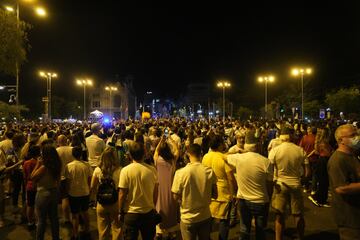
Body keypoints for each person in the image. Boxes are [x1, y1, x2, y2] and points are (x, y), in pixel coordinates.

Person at [226, 143, 273, 240]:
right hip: (261, 200)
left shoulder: (238, 158)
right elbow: (269, 185)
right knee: (260, 230)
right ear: (258, 147)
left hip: (243, 200)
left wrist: (238, 151)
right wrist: (268, 199)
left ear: (245, 147)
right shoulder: (266, 162)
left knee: (244, 229)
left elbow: (224, 156)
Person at [268, 130, 310, 240]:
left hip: (280, 184)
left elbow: (269, 169)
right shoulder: (300, 150)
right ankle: (301, 237)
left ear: (281, 138)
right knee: (298, 215)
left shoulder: (275, 151)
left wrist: (272, 181)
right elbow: (307, 170)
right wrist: (302, 180)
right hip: (296, 184)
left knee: (279, 215)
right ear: (291, 138)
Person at [171, 144, 217, 240]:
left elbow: (175, 197)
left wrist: (185, 202)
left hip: (188, 217)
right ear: (201, 153)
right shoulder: (209, 171)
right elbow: (215, 195)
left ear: (187, 154)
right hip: (205, 215)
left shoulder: (180, 173)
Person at [118, 141, 159, 240]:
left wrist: (120, 211)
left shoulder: (125, 171)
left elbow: (122, 194)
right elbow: (155, 192)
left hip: (131, 212)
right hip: (148, 211)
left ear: (130, 155)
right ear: (144, 155)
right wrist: (153, 206)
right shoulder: (152, 170)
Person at [327, 124, 360, 240]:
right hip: (350, 218)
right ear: (341, 140)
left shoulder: (353, 155)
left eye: (357, 134)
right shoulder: (337, 160)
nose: (357, 137)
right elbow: (341, 188)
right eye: (353, 135)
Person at [202, 134, 237, 240]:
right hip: (223, 193)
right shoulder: (223, 158)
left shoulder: (205, 157)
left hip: (209, 192)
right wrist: (234, 193)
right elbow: (230, 178)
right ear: (220, 145)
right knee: (223, 220)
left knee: (209, 219)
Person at [31, 142, 62, 240]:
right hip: (54, 191)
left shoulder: (44, 167)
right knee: (54, 218)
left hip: (43, 193)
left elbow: (32, 177)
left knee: (41, 220)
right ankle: (55, 237)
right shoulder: (58, 164)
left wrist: (38, 164)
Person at [91, 146, 122, 240]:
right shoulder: (119, 170)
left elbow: (92, 186)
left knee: (103, 230)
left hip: (101, 203)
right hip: (115, 202)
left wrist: (96, 197)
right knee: (117, 228)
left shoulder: (98, 170)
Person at [153, 135, 179, 239]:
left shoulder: (157, 160)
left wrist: (161, 141)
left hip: (159, 188)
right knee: (171, 207)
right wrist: (171, 140)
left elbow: (156, 151)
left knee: (159, 207)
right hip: (171, 188)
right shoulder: (172, 160)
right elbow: (177, 150)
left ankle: (159, 230)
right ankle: (171, 231)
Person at [65, 146, 93, 240]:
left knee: (74, 215)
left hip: (73, 193)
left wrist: (67, 191)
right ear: (81, 154)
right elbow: (90, 179)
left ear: (72, 154)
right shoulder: (87, 165)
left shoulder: (69, 166)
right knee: (85, 212)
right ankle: (87, 230)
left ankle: (76, 234)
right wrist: (89, 189)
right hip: (85, 192)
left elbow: (68, 181)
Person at [308, 127, 333, 207]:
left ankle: (318, 197)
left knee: (322, 181)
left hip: (321, 160)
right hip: (324, 161)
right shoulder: (325, 143)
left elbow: (317, 151)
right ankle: (321, 200)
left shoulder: (318, 142)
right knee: (324, 182)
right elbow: (328, 153)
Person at [23, 145, 41, 231]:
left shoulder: (26, 163)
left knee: (30, 205)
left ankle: (30, 222)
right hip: (37, 186)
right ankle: (38, 223)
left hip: (29, 185)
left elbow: (25, 176)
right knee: (37, 206)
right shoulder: (39, 163)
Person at [56, 134, 73, 224]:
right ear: (66, 140)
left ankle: (66, 218)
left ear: (58, 142)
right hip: (72, 176)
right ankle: (75, 216)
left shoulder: (56, 151)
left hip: (62, 177)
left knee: (64, 198)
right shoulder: (72, 149)